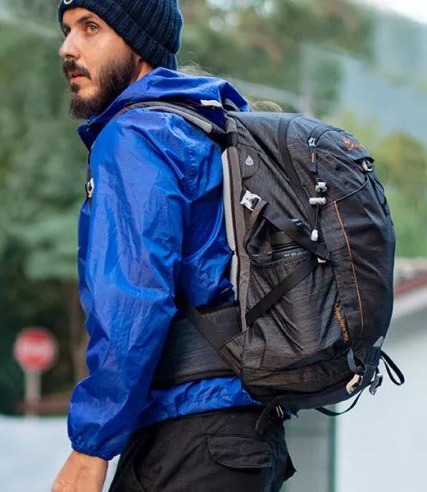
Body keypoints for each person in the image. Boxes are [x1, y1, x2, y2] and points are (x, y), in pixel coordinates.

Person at [50, 2, 295, 491]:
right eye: (67, 30)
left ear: (138, 43)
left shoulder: (135, 134)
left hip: (188, 432)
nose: (68, 47)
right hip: (248, 437)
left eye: (91, 28)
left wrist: (90, 449)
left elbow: (133, 298)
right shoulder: (212, 125)